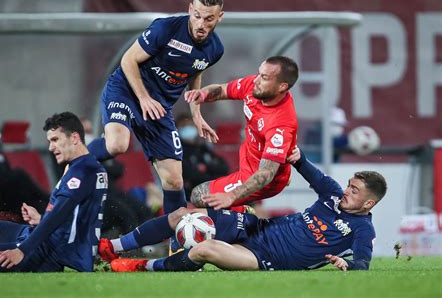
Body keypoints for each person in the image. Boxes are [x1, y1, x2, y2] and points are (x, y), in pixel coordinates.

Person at [98, 147, 387, 272]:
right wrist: (291, 151)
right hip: (256, 228)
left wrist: (347, 264)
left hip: (263, 258)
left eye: (354, 190)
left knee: (203, 250)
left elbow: (363, 262)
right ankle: (112, 246)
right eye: (349, 185)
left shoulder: (362, 230)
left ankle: (142, 266)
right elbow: (306, 167)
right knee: (182, 216)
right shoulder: (333, 195)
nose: (346, 191)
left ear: (368, 203)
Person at [87, 0, 224, 217]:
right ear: (190, 9)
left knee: (174, 180)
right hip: (127, 90)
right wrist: (143, 97)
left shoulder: (215, 49)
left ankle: (178, 243)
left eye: (209, 19)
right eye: (197, 15)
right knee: (117, 145)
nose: (201, 24)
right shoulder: (165, 28)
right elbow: (128, 60)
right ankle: (77, 160)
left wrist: (196, 115)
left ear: (219, 17)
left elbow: (195, 72)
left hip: (159, 107)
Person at [0, 112, 109, 272]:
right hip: (43, 238)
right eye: (49, 141)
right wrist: (41, 219)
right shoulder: (84, 166)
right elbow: (74, 218)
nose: (50, 147)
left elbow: (57, 216)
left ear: (75, 138)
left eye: (55, 140)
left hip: (47, 253)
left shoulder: (83, 172)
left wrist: (22, 250)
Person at [183, 56, 299, 212]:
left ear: (282, 87)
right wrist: (202, 94)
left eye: (264, 77)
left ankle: (244, 212)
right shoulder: (255, 87)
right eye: (259, 73)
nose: (256, 80)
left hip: (263, 177)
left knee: (198, 196)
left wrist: (232, 196)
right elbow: (222, 90)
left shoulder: (281, 124)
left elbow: (266, 173)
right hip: (249, 153)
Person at [0, 117, 49, 215]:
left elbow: (9, 177)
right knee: (19, 174)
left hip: (6, 194)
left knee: (35, 203)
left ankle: (51, 209)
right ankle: (49, 198)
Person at [176, 113, 229, 200]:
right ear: (177, 129)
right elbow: (192, 177)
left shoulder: (202, 148)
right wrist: (213, 174)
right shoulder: (179, 152)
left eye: (190, 125)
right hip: (193, 196)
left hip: (215, 191)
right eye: (183, 126)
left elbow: (224, 167)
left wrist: (207, 168)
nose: (188, 128)